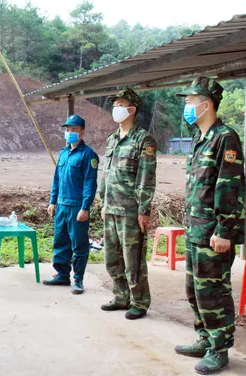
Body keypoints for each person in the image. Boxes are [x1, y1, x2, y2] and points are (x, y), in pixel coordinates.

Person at [174, 77, 245, 375]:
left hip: (214, 233)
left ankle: (220, 348)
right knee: (194, 289)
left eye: (191, 100)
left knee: (213, 292)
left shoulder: (225, 137)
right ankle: (204, 338)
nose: (188, 106)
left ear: (207, 103)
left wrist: (224, 231)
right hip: (196, 228)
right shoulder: (198, 138)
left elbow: (229, 188)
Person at [98, 88, 157, 320]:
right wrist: (102, 201)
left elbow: (146, 176)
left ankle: (139, 302)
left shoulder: (144, 140)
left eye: (120, 104)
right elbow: (107, 172)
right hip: (111, 208)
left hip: (131, 211)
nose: (116, 109)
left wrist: (144, 209)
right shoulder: (112, 139)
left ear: (132, 109)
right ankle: (121, 295)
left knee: (133, 259)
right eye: (114, 105)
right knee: (112, 257)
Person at [45, 115, 99, 295]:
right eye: (67, 130)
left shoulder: (88, 155)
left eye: (74, 130)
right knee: (60, 241)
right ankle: (62, 275)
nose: (69, 133)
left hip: (77, 207)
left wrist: (85, 207)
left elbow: (90, 184)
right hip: (61, 205)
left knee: (79, 244)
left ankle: (78, 280)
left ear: (82, 132)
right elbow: (56, 179)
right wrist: (53, 201)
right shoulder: (63, 153)